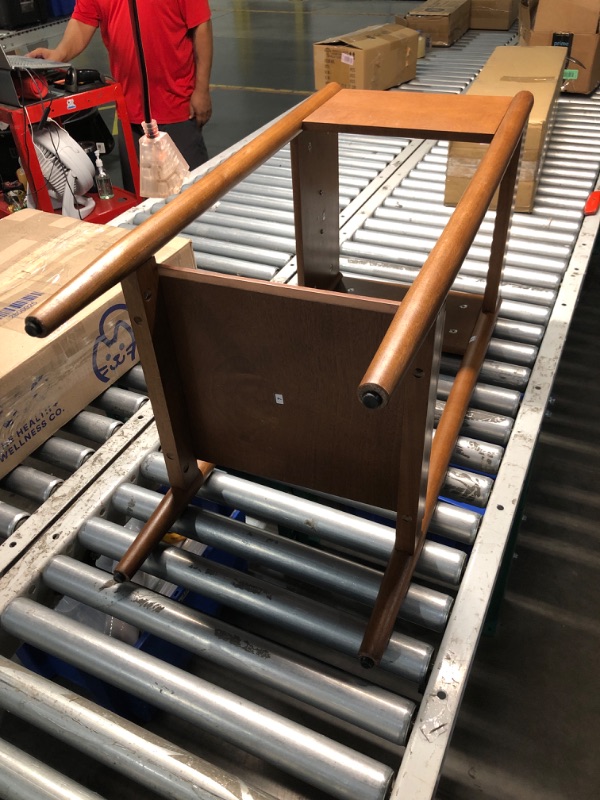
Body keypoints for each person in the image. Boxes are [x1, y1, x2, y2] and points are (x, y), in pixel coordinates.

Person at [29, 0, 213, 187]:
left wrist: (202, 89)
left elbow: (201, 26)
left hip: (177, 105)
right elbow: (82, 22)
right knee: (140, 200)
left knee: (192, 194)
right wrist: (58, 54)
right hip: (130, 112)